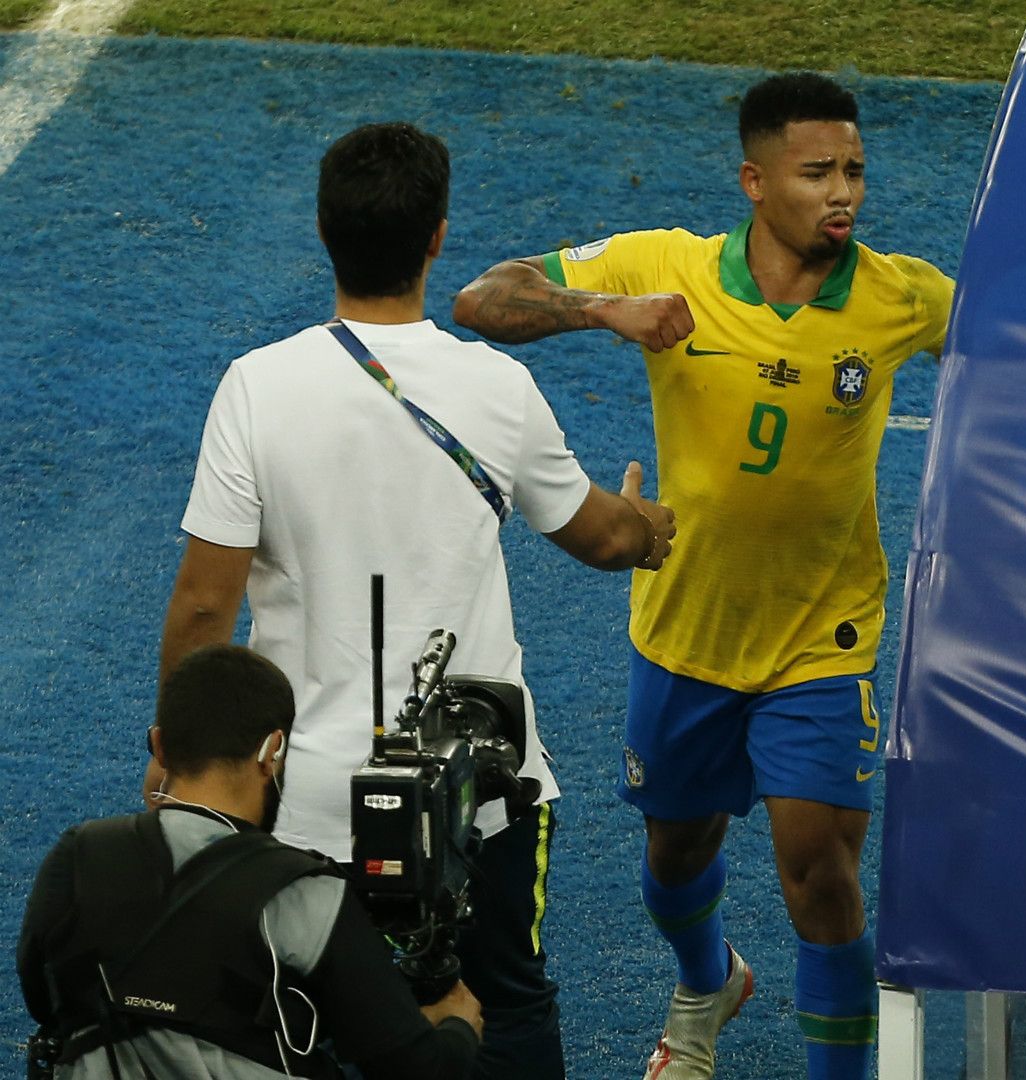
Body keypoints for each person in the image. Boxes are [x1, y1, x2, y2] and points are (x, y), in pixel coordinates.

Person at [452, 72, 955, 1080]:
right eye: (816, 172)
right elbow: (482, 298)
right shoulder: (669, 266)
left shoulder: (901, 295)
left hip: (825, 637)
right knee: (675, 860)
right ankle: (707, 980)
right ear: (754, 181)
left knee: (821, 874)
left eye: (854, 169)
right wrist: (605, 310)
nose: (842, 191)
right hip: (687, 631)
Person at [155, 121, 676, 1079]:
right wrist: (651, 526)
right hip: (478, 792)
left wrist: (182, 762)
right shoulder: (498, 387)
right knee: (509, 1004)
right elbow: (602, 537)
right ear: (437, 237)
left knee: (304, 1019)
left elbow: (201, 611)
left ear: (324, 231)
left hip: (304, 800)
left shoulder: (254, 389)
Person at [21, 644, 483, 1078]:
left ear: (160, 746)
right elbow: (415, 1070)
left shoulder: (76, 855)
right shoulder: (308, 894)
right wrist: (458, 1028)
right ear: (272, 751)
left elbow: (45, 1000)